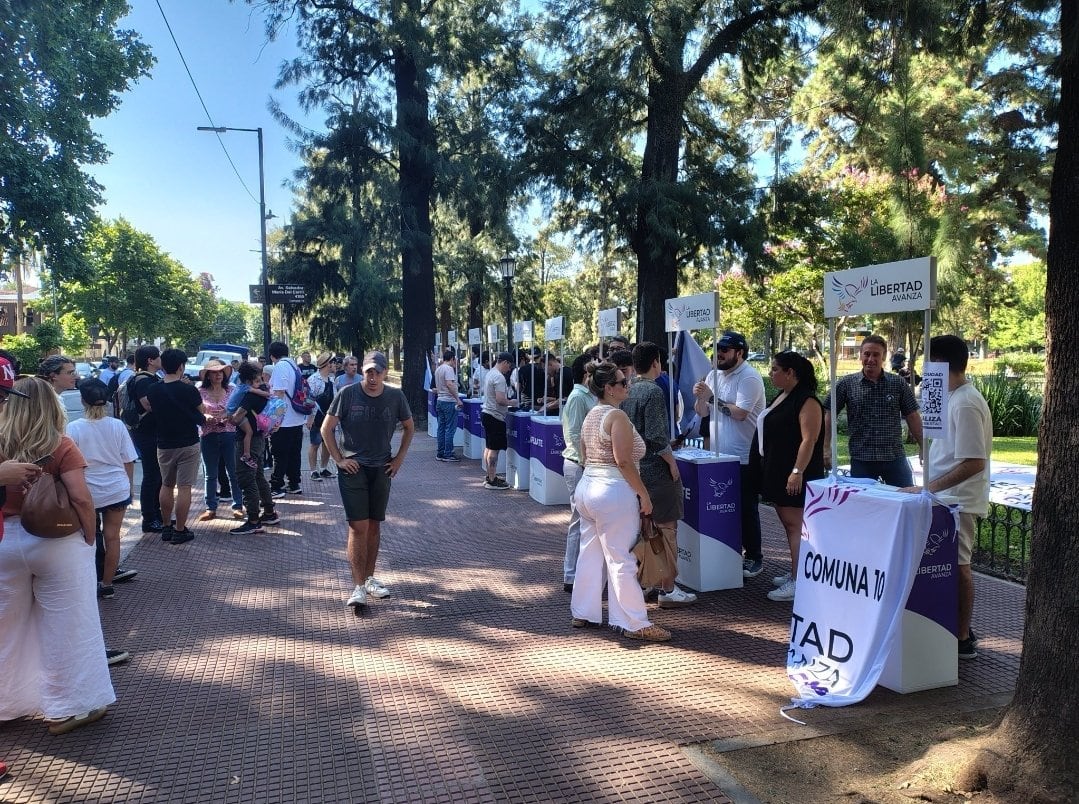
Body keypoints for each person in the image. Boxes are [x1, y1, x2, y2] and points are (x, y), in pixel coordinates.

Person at [0, 373, 115, 735]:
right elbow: (81, 496)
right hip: (56, 540)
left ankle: (7, 704)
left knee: (5, 627)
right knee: (70, 625)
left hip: (4, 538)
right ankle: (68, 708)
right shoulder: (61, 444)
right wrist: (88, 535)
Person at [900, 335, 992, 660]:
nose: (923, 370)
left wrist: (930, 488)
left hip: (958, 502)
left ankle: (963, 637)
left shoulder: (966, 402)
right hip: (942, 499)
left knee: (959, 565)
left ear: (941, 363)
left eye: (928, 362)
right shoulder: (949, 396)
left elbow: (974, 461)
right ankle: (952, 627)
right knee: (948, 565)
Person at [570, 361, 671, 642]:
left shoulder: (592, 414)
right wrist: (644, 494)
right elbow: (624, 461)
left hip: (588, 485)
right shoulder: (616, 417)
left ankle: (583, 611)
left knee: (590, 552)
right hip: (612, 489)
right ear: (609, 389)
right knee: (621, 558)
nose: (627, 385)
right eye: (622, 382)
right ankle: (634, 621)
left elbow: (583, 451)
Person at [321, 351, 414, 610]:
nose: (372, 378)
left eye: (377, 372)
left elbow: (409, 426)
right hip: (353, 469)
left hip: (382, 469)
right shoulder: (348, 394)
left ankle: (370, 578)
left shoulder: (395, 396)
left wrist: (398, 459)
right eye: (368, 372)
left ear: (384, 372)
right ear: (362, 372)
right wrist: (338, 459)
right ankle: (358, 585)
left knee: (374, 526)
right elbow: (326, 428)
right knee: (357, 527)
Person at [621, 342, 696, 608]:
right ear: (656, 362)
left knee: (647, 529)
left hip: (638, 472)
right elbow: (655, 435)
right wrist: (671, 461)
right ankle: (668, 588)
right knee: (667, 529)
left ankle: (651, 582)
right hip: (656, 470)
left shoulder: (627, 390)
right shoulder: (652, 392)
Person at [748, 352, 825, 602]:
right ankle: (796, 571)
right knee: (789, 523)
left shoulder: (807, 401)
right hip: (776, 468)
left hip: (794, 472)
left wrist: (796, 471)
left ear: (790, 372)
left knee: (796, 526)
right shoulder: (783, 396)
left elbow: (809, 439)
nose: (770, 374)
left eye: (774, 370)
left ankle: (799, 580)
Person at [692, 330, 767, 578]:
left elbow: (740, 413)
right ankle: (729, 551)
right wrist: (701, 397)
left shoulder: (749, 378)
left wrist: (712, 398)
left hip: (743, 455)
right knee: (721, 506)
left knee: (746, 507)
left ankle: (755, 557)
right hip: (717, 454)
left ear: (739, 353)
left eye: (725, 350)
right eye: (717, 349)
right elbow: (702, 412)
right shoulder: (714, 374)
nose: (719, 354)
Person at [65, 379, 138, 598]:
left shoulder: (74, 428)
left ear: (82, 400)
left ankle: (89, 581)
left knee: (87, 536)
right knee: (113, 537)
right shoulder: (117, 425)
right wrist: (129, 487)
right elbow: (128, 459)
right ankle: (107, 584)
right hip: (116, 488)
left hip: (87, 491)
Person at [823, 334, 924, 487]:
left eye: (876, 354)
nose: (871, 359)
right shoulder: (846, 384)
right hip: (862, 459)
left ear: (883, 357)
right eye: (867, 354)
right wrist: (826, 448)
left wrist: (923, 445)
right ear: (860, 355)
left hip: (894, 457)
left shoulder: (898, 383)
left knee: (906, 499)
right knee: (863, 506)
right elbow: (829, 415)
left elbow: (912, 416)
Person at [147, 348, 204, 544]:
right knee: (185, 487)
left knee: (166, 484)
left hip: (164, 443)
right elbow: (201, 412)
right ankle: (180, 530)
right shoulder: (189, 389)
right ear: (181, 366)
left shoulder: (153, 389)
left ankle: (166, 527)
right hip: (188, 441)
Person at [560, 354, 597, 593]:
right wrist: (586, 462)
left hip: (583, 464)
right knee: (578, 521)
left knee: (583, 520)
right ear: (586, 374)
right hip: (579, 465)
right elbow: (574, 435)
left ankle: (576, 574)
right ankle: (571, 575)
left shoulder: (584, 396)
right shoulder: (577, 398)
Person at [228, 361, 279, 534]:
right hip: (260, 438)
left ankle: (253, 519)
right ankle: (269, 512)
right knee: (258, 476)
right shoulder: (264, 391)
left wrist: (229, 418)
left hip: (246, 440)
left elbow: (236, 418)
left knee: (246, 477)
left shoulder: (249, 395)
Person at [196, 359, 243, 521]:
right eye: (214, 372)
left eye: (221, 372)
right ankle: (211, 507)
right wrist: (205, 416)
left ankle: (238, 505)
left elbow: (240, 411)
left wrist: (228, 415)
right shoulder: (199, 390)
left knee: (233, 472)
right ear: (207, 375)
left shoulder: (232, 389)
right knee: (210, 474)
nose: (218, 375)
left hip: (229, 433)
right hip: (208, 434)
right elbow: (195, 412)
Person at [129, 345, 163, 532]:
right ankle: (149, 519)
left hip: (151, 431)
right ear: (150, 360)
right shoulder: (143, 380)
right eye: (158, 357)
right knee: (151, 475)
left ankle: (157, 515)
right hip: (146, 432)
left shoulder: (151, 378)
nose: (161, 360)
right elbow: (148, 405)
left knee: (157, 475)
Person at [267, 341, 307, 497]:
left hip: (284, 421)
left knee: (279, 453)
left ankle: (277, 486)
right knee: (294, 453)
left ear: (272, 356)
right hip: (297, 417)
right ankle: (294, 483)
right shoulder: (294, 366)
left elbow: (279, 394)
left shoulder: (280, 367)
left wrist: (274, 420)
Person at [481, 352, 516, 489]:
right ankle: (492, 480)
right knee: (494, 449)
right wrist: (512, 402)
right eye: (509, 366)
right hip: (495, 416)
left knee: (489, 447)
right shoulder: (499, 378)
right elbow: (500, 400)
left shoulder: (490, 373)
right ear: (505, 362)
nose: (509, 369)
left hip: (487, 414)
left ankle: (490, 476)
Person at [306, 351, 337, 480]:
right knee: (315, 443)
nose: (336, 365)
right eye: (334, 362)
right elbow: (309, 401)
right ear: (328, 364)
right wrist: (310, 418)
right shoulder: (313, 379)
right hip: (317, 417)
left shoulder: (331, 379)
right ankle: (313, 471)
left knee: (327, 444)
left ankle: (324, 468)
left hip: (329, 417)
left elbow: (334, 398)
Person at [433, 348, 462, 462]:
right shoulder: (449, 369)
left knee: (441, 427)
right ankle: (448, 453)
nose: (455, 363)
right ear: (452, 359)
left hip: (440, 400)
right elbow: (450, 384)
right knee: (450, 428)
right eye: (455, 360)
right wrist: (457, 399)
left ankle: (440, 452)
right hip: (449, 401)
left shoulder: (438, 369)